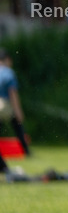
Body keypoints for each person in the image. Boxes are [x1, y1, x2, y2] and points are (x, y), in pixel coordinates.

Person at [0, 49, 30, 178]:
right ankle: (26, 150)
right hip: (4, 106)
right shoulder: (9, 73)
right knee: (17, 126)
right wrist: (18, 111)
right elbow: (13, 93)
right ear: (7, 60)